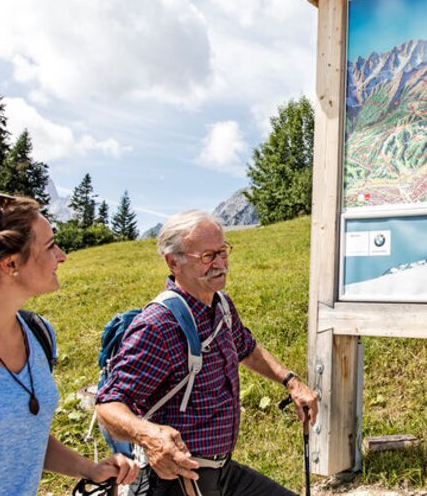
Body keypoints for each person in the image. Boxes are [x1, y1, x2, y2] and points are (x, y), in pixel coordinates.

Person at [0, 193, 138, 494]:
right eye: (50, 245)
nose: (62, 255)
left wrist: (89, 469)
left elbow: (22, 437)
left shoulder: (40, 334)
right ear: (10, 263)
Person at [95, 210, 319, 496]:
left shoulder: (221, 306)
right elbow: (108, 405)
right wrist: (148, 436)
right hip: (175, 479)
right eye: (207, 256)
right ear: (173, 261)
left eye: (223, 252)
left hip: (221, 471)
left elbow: (246, 347)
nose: (221, 263)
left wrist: (291, 382)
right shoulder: (157, 325)